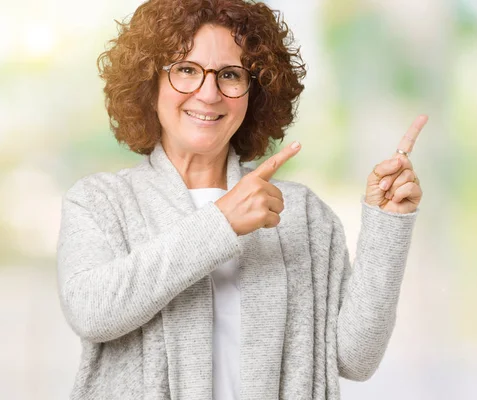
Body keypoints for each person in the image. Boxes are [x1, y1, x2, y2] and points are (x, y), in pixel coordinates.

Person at [56, 0, 427, 398]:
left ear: (255, 92)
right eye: (186, 70)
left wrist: (387, 224)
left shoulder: (300, 213)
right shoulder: (99, 202)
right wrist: (222, 223)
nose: (209, 93)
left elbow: (356, 359)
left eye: (230, 75)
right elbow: (91, 312)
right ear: (150, 82)